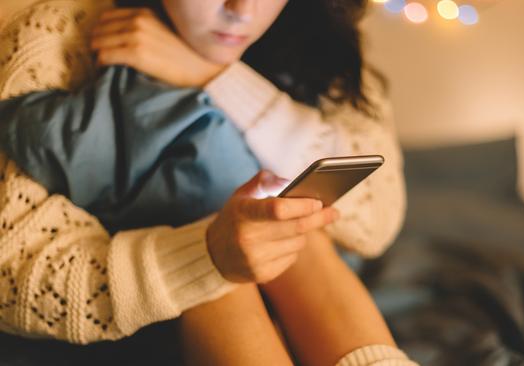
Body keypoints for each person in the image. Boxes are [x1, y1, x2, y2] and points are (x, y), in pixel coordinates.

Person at [0, 0, 413, 365]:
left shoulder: (323, 36)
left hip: (301, 299)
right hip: (145, 314)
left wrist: (213, 74)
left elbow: (375, 222)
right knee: (230, 243)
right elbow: (12, 275)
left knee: (295, 221)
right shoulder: (59, 33)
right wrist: (205, 254)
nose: (242, 10)